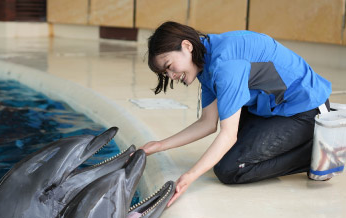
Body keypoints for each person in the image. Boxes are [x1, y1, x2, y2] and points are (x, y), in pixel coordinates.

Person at [140, 21, 332, 207]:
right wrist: (158, 145)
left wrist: (189, 177)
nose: (171, 76)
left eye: (169, 66)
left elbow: (228, 134)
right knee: (230, 153)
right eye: (165, 74)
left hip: (306, 110)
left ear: (186, 46)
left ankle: (318, 154)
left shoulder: (224, 65)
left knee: (230, 169)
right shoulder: (206, 60)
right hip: (276, 109)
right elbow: (207, 123)